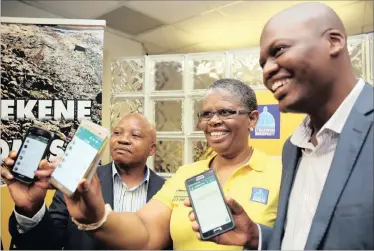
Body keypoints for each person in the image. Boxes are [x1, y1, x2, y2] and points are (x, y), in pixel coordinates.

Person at [187, 2, 374, 250]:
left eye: (279, 50)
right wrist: (256, 237)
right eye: (263, 63)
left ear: (334, 41)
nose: (268, 71)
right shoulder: (293, 148)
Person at [60, 79, 282, 250]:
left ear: (252, 119)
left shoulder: (281, 172)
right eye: (206, 114)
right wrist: (96, 217)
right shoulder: (187, 175)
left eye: (224, 112)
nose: (213, 120)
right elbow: (145, 232)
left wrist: (255, 236)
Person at [2, 113, 167, 250]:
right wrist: (30, 208)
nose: (123, 139)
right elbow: (46, 246)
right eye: (117, 133)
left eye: (135, 135)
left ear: (152, 149)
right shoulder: (77, 182)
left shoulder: (167, 192)